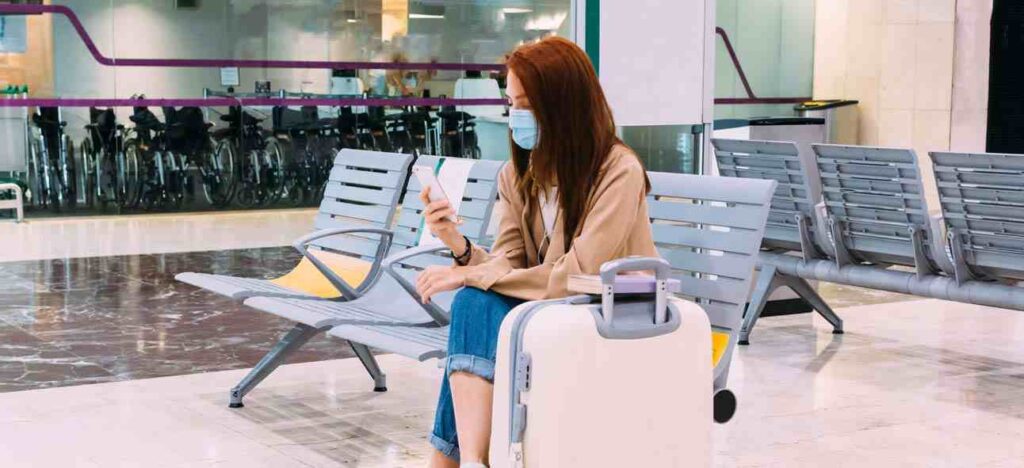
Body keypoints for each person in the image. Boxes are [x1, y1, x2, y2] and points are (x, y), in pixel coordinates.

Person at [416, 36, 659, 468]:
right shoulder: (518, 174)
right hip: (550, 313)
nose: (516, 116)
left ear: (564, 105)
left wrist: (470, 274)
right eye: (511, 103)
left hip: (613, 312)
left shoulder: (618, 171)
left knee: (475, 297)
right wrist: (456, 243)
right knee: (475, 303)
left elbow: (578, 273)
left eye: (527, 103)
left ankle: (451, 462)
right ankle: (473, 460)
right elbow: (508, 263)